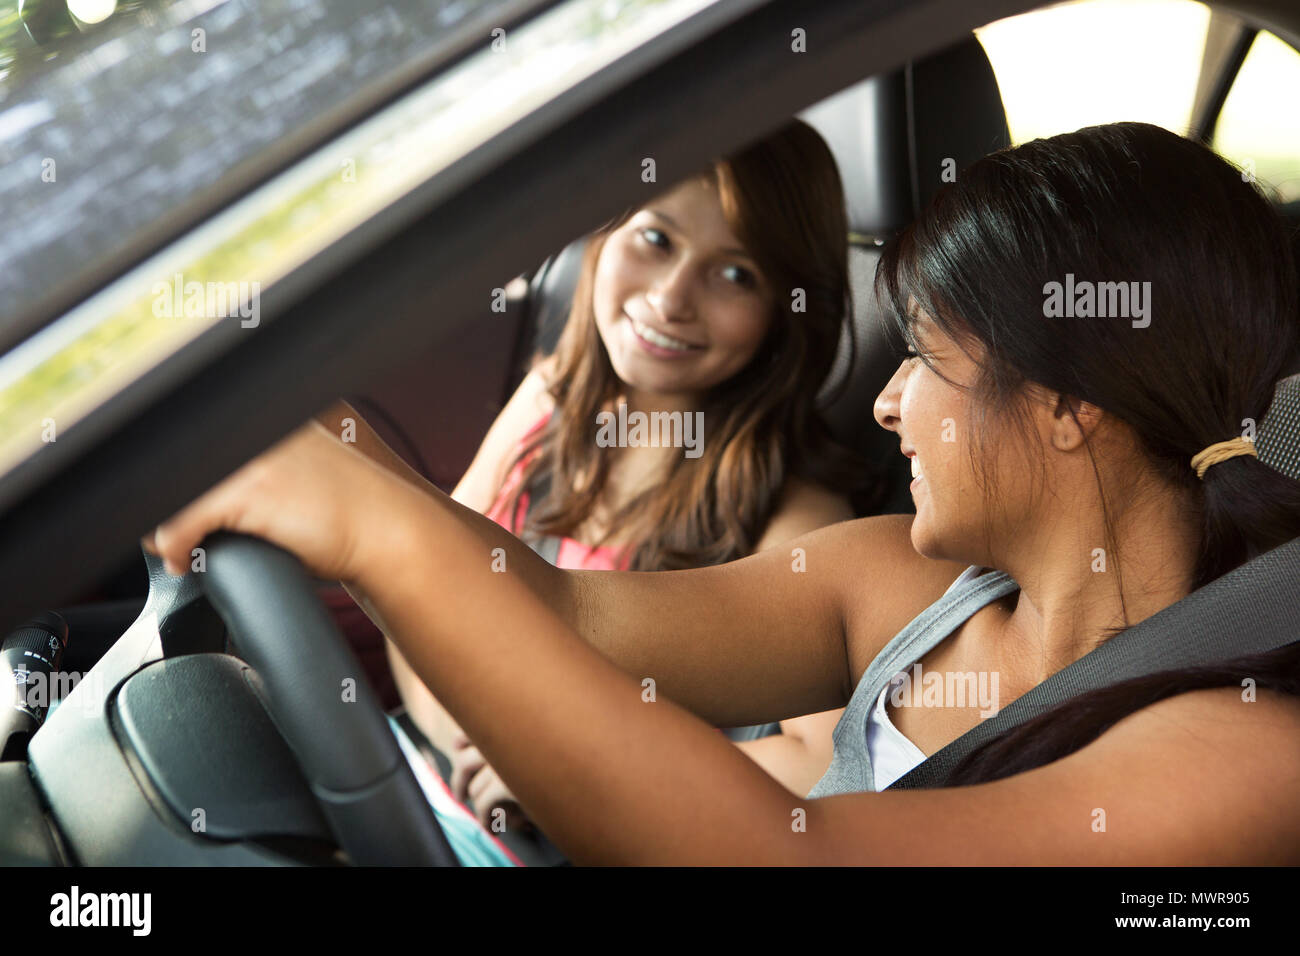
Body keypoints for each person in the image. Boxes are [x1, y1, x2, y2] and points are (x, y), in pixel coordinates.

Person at [145, 122, 1300, 864]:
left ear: (1066, 402)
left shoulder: (1243, 757)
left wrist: (376, 532)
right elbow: (569, 615)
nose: (887, 404)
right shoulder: (900, 576)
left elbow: (786, 854)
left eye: (927, 359)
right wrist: (308, 427)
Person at [330, 120, 865, 847]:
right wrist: (463, 736)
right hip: (425, 790)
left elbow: (830, 766)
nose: (673, 297)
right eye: (656, 239)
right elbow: (425, 583)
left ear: (783, 313)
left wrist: (566, 768)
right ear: (605, 236)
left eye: (736, 274)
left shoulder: (796, 524)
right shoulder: (549, 401)